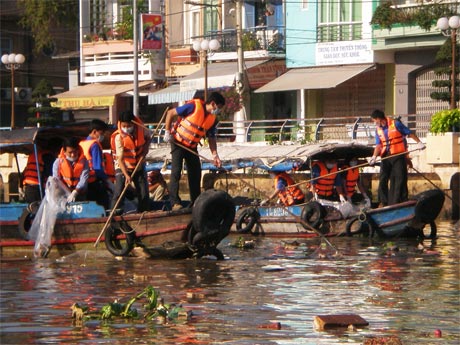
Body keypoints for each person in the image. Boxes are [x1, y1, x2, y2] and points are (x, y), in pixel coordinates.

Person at [164, 92, 225, 210]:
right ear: (213, 104)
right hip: (177, 142)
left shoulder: (212, 120)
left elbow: (211, 138)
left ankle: (196, 202)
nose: (219, 111)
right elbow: (170, 113)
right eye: (219, 108)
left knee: (195, 172)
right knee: (176, 171)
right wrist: (167, 131)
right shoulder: (193, 106)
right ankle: (175, 202)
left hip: (191, 146)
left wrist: (215, 155)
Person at [368, 109, 425, 206]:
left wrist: (419, 142)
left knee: (399, 178)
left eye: (374, 121)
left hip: (398, 155)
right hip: (386, 156)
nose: (374, 123)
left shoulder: (396, 124)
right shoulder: (378, 130)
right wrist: (374, 157)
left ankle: (399, 201)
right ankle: (384, 202)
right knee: (383, 178)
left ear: (378, 119)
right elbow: (378, 145)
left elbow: (409, 133)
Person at [110, 111, 151, 212]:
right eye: (124, 125)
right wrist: (127, 175)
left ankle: (143, 213)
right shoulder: (118, 137)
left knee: (143, 192)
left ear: (133, 123)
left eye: (129, 125)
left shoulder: (141, 129)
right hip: (123, 166)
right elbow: (120, 159)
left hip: (138, 164)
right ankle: (114, 213)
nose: (126, 128)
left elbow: (148, 139)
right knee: (119, 190)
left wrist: (145, 150)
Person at [79, 119, 113, 209]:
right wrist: (108, 181)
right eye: (102, 133)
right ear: (94, 132)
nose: (103, 136)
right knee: (103, 206)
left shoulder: (81, 144)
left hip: (83, 181)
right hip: (94, 181)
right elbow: (97, 167)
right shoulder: (94, 145)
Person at [52, 137, 90, 203]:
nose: (73, 155)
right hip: (64, 193)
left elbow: (84, 179)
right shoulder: (58, 162)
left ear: (78, 150)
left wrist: (75, 192)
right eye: (70, 152)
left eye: (75, 152)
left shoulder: (84, 162)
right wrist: (65, 192)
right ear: (64, 152)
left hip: (80, 193)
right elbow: (56, 179)